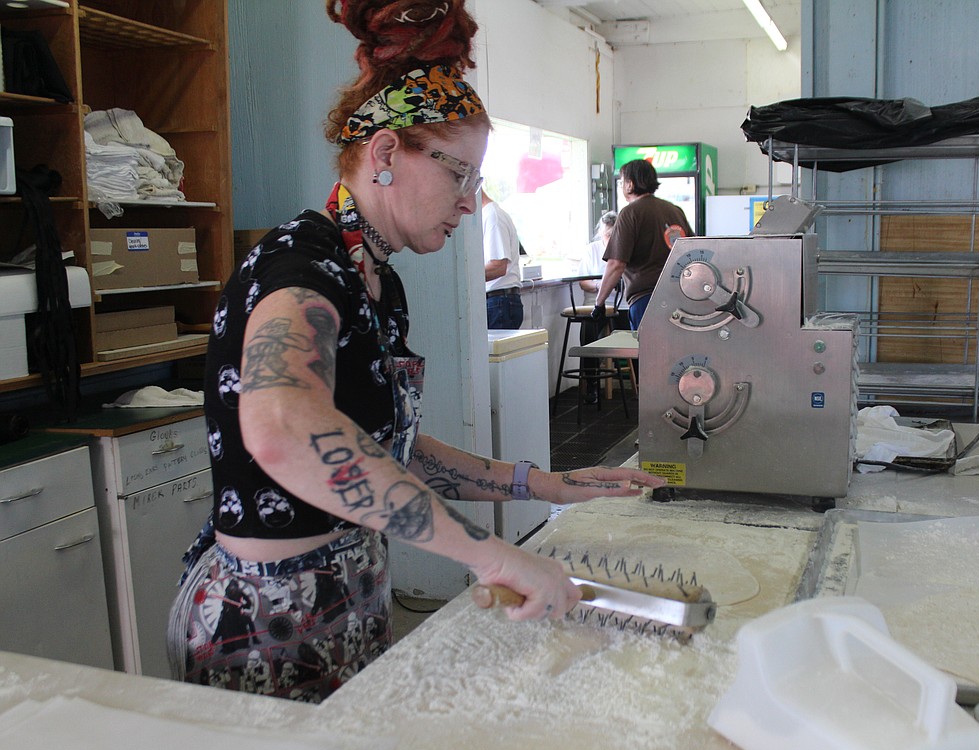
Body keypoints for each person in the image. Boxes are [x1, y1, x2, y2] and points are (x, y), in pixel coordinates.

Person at [168, 0, 664, 703]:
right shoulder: (301, 265)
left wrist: (543, 484)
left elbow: (381, 448)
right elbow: (283, 430)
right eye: (458, 172)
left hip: (354, 603)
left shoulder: (379, 281)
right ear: (384, 155)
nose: (471, 202)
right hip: (264, 624)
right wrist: (488, 552)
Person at [591, 159, 693, 331]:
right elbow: (692, 250)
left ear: (630, 184)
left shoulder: (630, 213)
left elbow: (616, 264)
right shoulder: (674, 210)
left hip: (646, 299)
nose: (622, 186)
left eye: (622, 182)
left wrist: (599, 303)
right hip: (681, 295)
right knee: (676, 354)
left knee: (648, 355)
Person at [576, 211, 619, 404]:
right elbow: (583, 282)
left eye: (613, 235)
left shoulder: (625, 248)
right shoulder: (591, 250)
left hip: (621, 306)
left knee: (639, 335)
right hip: (595, 304)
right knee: (588, 338)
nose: (609, 239)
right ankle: (592, 385)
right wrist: (599, 286)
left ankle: (641, 386)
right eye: (606, 235)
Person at [481, 189, 523, 329]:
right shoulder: (488, 215)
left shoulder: (493, 216)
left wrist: (465, 277)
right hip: (499, 302)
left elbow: (498, 267)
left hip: (500, 302)